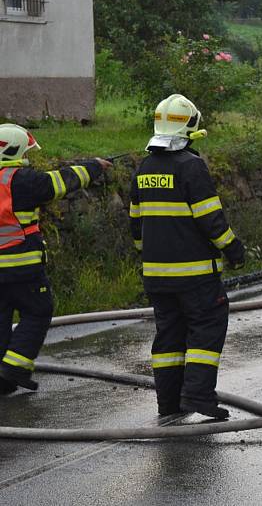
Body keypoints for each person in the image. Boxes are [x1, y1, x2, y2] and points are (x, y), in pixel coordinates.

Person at [129, 94, 245, 419]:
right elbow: (212, 220)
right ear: (190, 129)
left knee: (168, 336)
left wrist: (148, 256)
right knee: (206, 327)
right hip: (196, 278)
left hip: (156, 277)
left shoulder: (144, 168)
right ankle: (197, 396)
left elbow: (136, 224)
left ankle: (168, 403)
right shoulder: (192, 166)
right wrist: (234, 249)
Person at [0, 124, 111, 394]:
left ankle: (2, 375)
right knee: (38, 311)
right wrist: (93, 167)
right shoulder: (19, 180)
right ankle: (13, 369)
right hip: (21, 268)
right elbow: (58, 183)